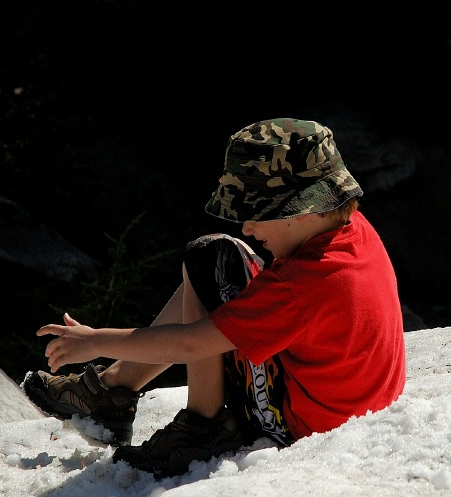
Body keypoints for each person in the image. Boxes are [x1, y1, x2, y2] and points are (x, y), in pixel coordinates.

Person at [22, 118, 406, 477]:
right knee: (218, 260)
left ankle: (201, 427)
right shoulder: (349, 230)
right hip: (352, 406)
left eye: (258, 211)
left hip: (302, 424)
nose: (247, 226)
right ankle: (112, 391)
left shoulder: (302, 285)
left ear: (304, 212)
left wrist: (95, 340)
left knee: (208, 258)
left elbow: (192, 343)